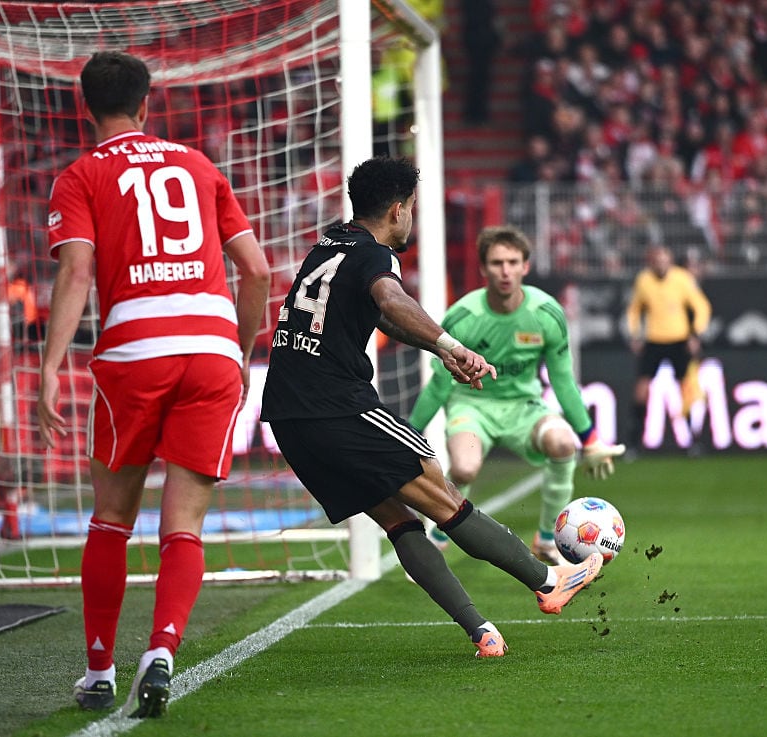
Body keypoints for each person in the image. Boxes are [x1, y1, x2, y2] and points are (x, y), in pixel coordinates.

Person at [261, 156, 604, 659]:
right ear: (399, 210)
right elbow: (392, 300)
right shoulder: (378, 256)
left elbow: (382, 316)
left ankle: (480, 630)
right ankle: (548, 579)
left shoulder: (329, 244)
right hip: (337, 404)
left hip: (289, 417)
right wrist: (450, 345)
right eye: (413, 208)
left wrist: (434, 350)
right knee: (441, 493)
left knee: (398, 520)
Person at [36, 51, 270, 718]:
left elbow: (77, 272)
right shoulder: (197, 163)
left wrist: (50, 367)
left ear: (88, 108)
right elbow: (255, 270)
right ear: (147, 104)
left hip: (135, 348)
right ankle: (162, 650)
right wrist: (237, 347)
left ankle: (100, 670)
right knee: (184, 526)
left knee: (111, 518)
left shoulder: (80, 174)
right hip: (209, 347)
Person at [407, 225, 625, 565]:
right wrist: (407, 437)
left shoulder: (546, 314)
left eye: (512, 262)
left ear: (525, 265)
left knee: (563, 444)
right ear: (483, 268)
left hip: (525, 407)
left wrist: (591, 438)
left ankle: (548, 539)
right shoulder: (464, 317)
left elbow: (563, 380)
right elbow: (438, 385)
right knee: (464, 468)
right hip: (472, 405)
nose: (505, 271)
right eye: (496, 263)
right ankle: (437, 534)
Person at [625, 244, 711, 451]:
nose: (661, 265)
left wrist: (695, 334)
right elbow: (634, 310)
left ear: (670, 261)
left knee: (686, 389)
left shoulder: (682, 279)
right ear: (651, 262)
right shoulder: (644, 281)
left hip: (679, 340)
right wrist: (635, 334)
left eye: (664, 260)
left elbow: (701, 306)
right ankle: (634, 440)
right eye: (657, 261)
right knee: (642, 389)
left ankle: (694, 440)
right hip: (654, 340)